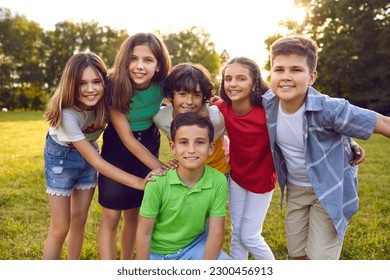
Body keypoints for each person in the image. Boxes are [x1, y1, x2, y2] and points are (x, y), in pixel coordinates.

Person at [262, 35, 390, 260]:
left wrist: (348, 142)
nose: (286, 77)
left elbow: (382, 123)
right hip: (295, 190)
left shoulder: (330, 109)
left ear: (311, 77)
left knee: (320, 261)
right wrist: (349, 141)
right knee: (297, 255)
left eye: (296, 70)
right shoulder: (267, 103)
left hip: (329, 190)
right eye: (279, 69)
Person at [42, 52, 162, 260]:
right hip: (61, 159)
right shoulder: (67, 115)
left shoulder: (106, 99)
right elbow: (98, 163)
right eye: (82, 83)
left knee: (79, 219)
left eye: (96, 81)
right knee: (61, 226)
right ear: (71, 84)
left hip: (88, 151)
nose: (90, 89)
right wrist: (140, 183)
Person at [97, 33, 176, 260]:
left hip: (149, 141)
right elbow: (127, 138)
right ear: (125, 60)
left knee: (134, 213)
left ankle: (126, 266)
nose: (140, 66)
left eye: (148, 60)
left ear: (158, 64)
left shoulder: (163, 85)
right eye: (133, 59)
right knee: (111, 215)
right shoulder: (114, 85)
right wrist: (159, 167)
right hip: (118, 148)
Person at [136, 112, 229, 260]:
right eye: (184, 142)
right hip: (158, 254)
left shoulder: (218, 180)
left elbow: (216, 232)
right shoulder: (157, 182)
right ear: (173, 147)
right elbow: (144, 232)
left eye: (199, 142)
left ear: (211, 148)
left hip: (195, 246)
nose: (191, 149)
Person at [213, 57, 277, 260]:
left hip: (262, 180)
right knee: (237, 233)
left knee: (249, 236)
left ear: (254, 82)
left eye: (241, 79)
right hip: (238, 178)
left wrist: (352, 144)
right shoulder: (223, 108)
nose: (233, 84)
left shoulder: (268, 110)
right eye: (228, 78)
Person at [153, 62, 230, 175]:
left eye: (197, 95)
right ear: (170, 96)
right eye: (182, 94)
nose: (189, 102)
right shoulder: (161, 118)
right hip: (187, 173)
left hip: (218, 171)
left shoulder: (215, 118)